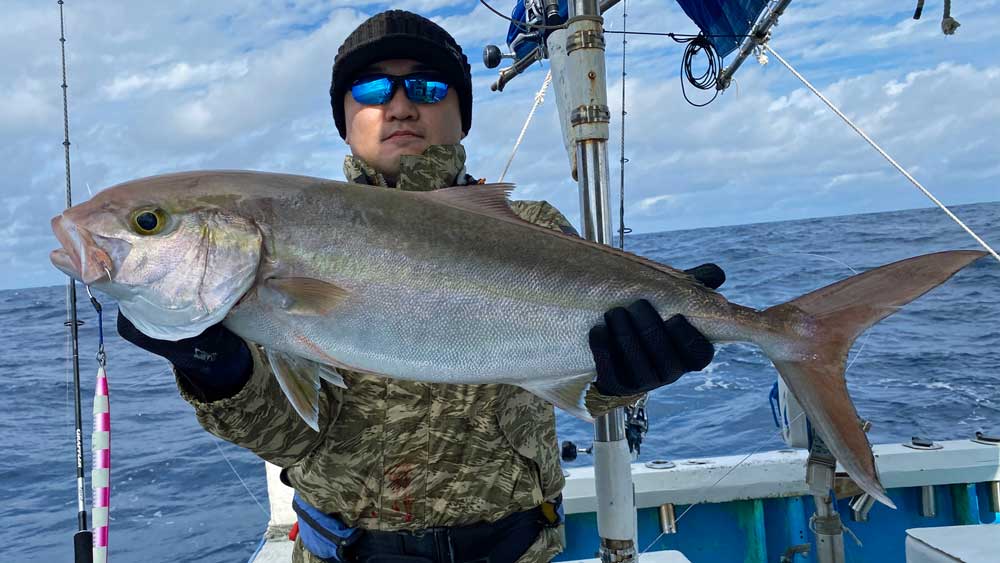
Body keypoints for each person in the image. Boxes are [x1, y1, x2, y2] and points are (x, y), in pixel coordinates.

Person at [118, 10, 724, 563]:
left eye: (429, 88)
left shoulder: (530, 227)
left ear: (461, 113)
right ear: (345, 118)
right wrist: (217, 374)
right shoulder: (285, 238)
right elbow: (287, 437)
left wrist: (628, 380)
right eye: (374, 89)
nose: (401, 107)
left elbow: (575, 389)